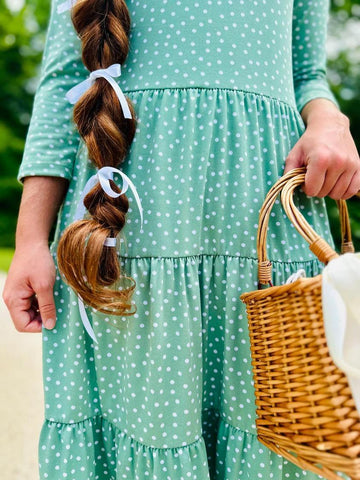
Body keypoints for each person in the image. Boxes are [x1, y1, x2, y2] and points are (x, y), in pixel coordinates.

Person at [3, 0, 360, 479]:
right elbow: (60, 87)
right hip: (128, 225)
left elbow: (307, 72)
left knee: (276, 427)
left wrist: (329, 121)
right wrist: (30, 241)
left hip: (261, 224)